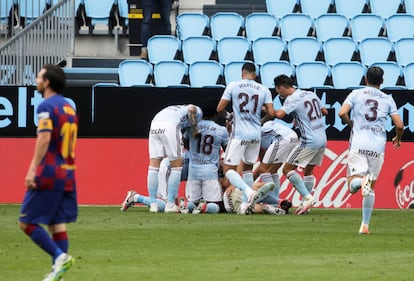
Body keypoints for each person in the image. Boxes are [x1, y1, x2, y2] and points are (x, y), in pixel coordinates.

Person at [19, 64, 77, 281]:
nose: (36, 80)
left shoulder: (45, 106)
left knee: (26, 221)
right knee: (56, 223)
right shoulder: (69, 108)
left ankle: (59, 257)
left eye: (39, 76)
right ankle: (57, 274)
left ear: (47, 82)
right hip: (68, 171)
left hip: (50, 171)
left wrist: (33, 169)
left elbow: (44, 138)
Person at [338, 66, 404, 234]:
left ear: (365, 79)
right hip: (377, 147)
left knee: (353, 185)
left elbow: (342, 112)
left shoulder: (356, 94)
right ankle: (365, 225)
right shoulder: (388, 99)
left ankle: (361, 182)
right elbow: (399, 125)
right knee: (371, 187)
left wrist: (351, 125)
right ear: (382, 81)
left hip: (359, 143)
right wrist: (398, 137)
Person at [216, 62, 276, 214]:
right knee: (248, 168)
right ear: (255, 74)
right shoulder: (264, 89)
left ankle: (247, 192)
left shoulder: (233, 85)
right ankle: (245, 205)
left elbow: (220, 108)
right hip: (255, 134)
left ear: (242, 73)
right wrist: (260, 122)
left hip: (239, 133)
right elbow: (271, 112)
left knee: (228, 168)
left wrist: (229, 116)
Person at [273, 74, 328, 215]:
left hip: (309, 140)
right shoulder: (310, 94)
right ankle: (306, 206)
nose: (279, 94)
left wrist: (266, 110)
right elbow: (324, 111)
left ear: (281, 88)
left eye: (278, 91)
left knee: (287, 169)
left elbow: (279, 114)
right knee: (308, 171)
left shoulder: (292, 98)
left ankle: (307, 197)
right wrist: (304, 117)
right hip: (322, 138)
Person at [146, 104, 203, 213]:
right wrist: (195, 127)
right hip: (170, 126)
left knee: (153, 166)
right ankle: (170, 204)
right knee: (177, 166)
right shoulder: (198, 111)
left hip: (155, 124)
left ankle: (153, 204)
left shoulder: (178, 109)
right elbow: (193, 109)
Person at [179, 100, 229, 214]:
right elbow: (228, 150)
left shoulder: (192, 127)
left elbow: (186, 145)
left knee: (193, 202)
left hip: (193, 169)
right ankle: (205, 207)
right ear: (216, 114)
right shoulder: (221, 130)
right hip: (210, 170)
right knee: (215, 204)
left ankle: (186, 205)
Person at [120, 149, 190, 213]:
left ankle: (137, 198)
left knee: (183, 205)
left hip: (177, 174)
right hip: (167, 171)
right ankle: (136, 197)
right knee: (167, 206)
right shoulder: (193, 156)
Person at [254, 119, 298, 210]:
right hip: (293, 137)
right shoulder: (264, 127)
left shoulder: (254, 135)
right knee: (272, 170)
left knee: (264, 170)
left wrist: (251, 181)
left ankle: (274, 202)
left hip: (282, 139)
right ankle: (278, 202)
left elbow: (262, 164)